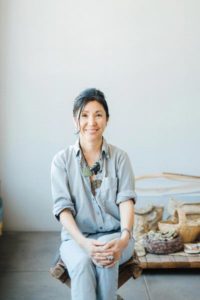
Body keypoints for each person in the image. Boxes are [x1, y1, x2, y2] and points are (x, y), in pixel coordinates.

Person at [51, 88, 137, 300]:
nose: (92, 122)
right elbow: (63, 209)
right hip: (76, 239)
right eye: (85, 115)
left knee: (107, 257)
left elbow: (126, 201)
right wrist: (84, 243)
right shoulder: (61, 161)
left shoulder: (120, 158)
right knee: (81, 264)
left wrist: (124, 239)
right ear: (75, 120)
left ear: (107, 119)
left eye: (98, 114)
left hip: (116, 234)